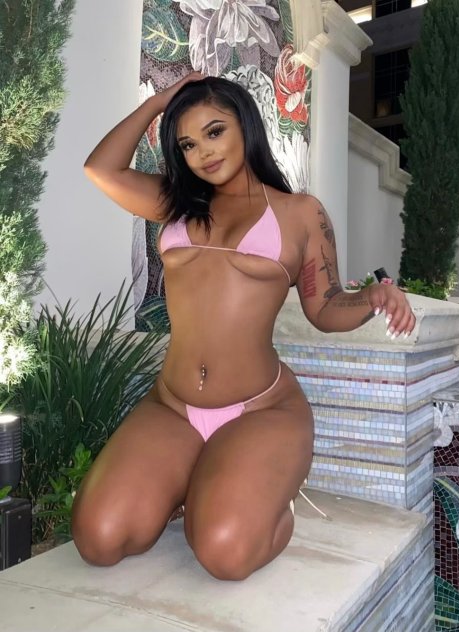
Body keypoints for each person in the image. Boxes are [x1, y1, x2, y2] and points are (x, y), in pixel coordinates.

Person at [73, 73, 416, 581]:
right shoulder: (175, 203)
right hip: (172, 406)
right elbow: (100, 168)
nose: (203, 153)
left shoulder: (299, 212)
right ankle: (197, 478)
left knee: (224, 554)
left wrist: (374, 297)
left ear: (246, 125)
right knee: (99, 539)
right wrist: (160, 102)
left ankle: (262, 502)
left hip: (260, 410)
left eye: (215, 131)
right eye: (187, 144)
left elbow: (324, 309)